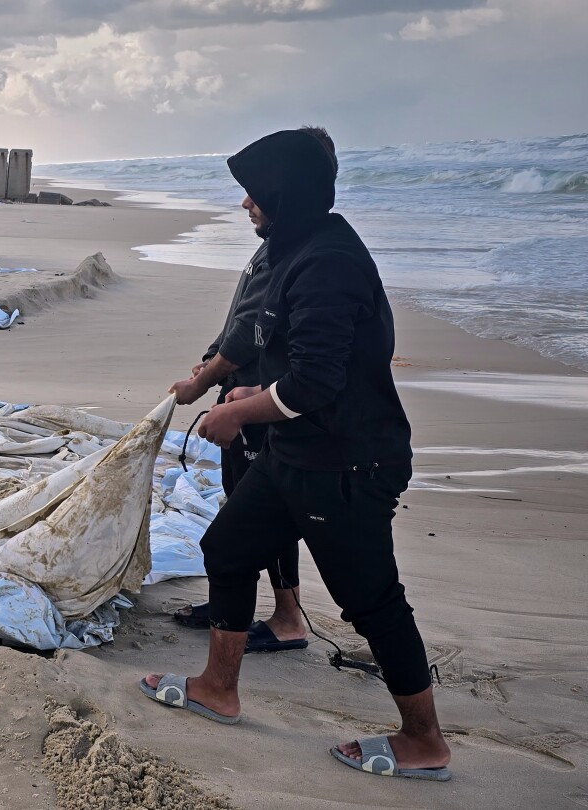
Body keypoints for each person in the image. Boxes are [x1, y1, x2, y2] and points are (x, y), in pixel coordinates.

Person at [140, 129, 451, 782]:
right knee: (227, 548)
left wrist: (233, 411)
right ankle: (218, 689)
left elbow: (317, 383)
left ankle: (424, 741)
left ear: (287, 193)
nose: (246, 203)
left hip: (347, 465)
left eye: (255, 192)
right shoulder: (296, 248)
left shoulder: (330, 262)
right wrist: (249, 388)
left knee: (371, 602)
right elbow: (280, 350)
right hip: (297, 454)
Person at [165, 126, 339, 651]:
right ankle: (232, 605)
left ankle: (288, 618)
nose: (245, 202)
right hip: (244, 392)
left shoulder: (299, 254)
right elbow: (239, 318)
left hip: (262, 400)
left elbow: (248, 335)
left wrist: (204, 381)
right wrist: (207, 366)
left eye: (257, 191)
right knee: (239, 500)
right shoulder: (275, 247)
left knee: (263, 509)